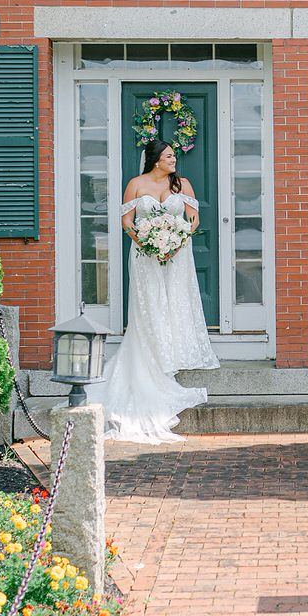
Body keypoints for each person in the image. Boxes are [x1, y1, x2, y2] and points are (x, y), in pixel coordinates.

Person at [87, 138, 219, 443]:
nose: (174, 160)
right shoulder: (136, 183)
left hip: (177, 255)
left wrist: (177, 241)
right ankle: (153, 351)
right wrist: (147, 242)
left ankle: (176, 349)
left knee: (176, 300)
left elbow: (193, 218)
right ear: (156, 159)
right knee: (149, 304)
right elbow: (127, 222)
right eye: (170, 156)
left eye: (174, 156)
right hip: (144, 255)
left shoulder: (182, 184)